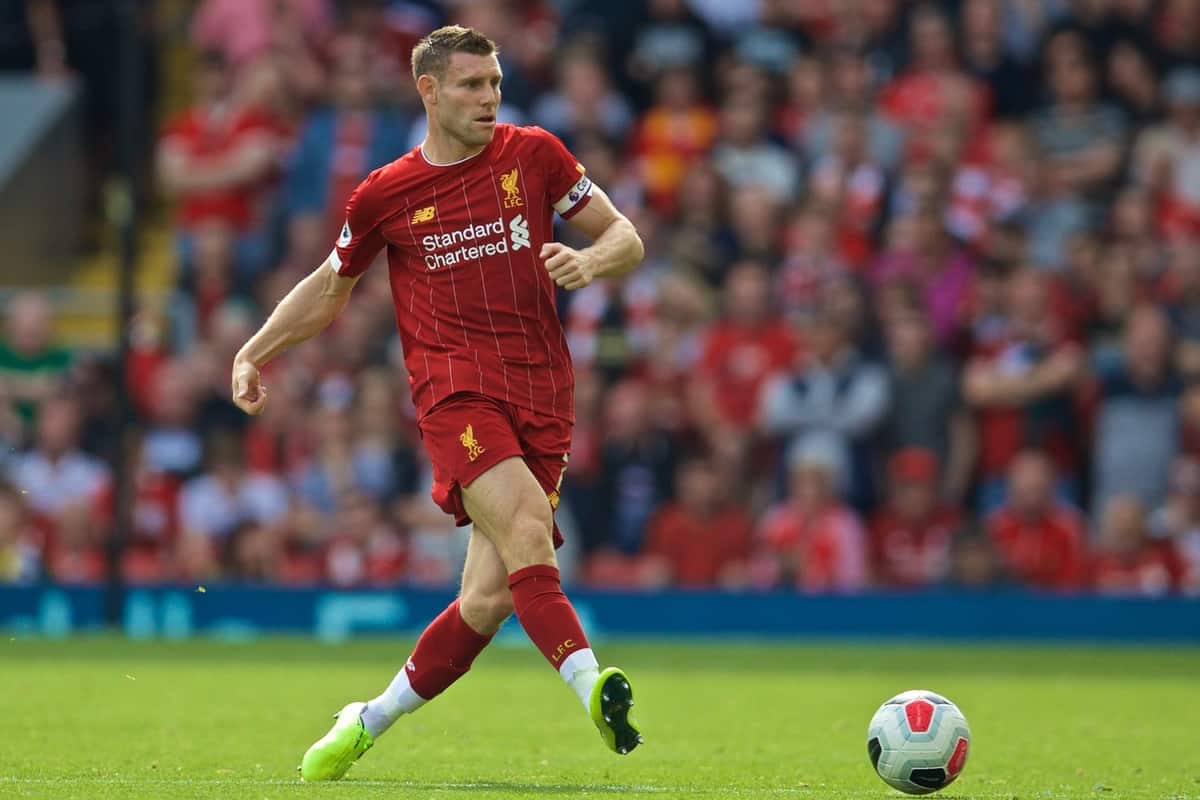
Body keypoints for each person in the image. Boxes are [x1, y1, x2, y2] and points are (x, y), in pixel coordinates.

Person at [229, 26, 646, 781]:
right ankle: (594, 684)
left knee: (488, 599)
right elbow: (330, 290)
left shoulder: (536, 155)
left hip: (544, 394)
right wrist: (255, 350)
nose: (490, 98)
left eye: (494, 83)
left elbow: (627, 237)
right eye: (471, 85)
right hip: (455, 396)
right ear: (428, 90)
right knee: (529, 526)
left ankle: (366, 720)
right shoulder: (386, 193)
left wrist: (587, 259)